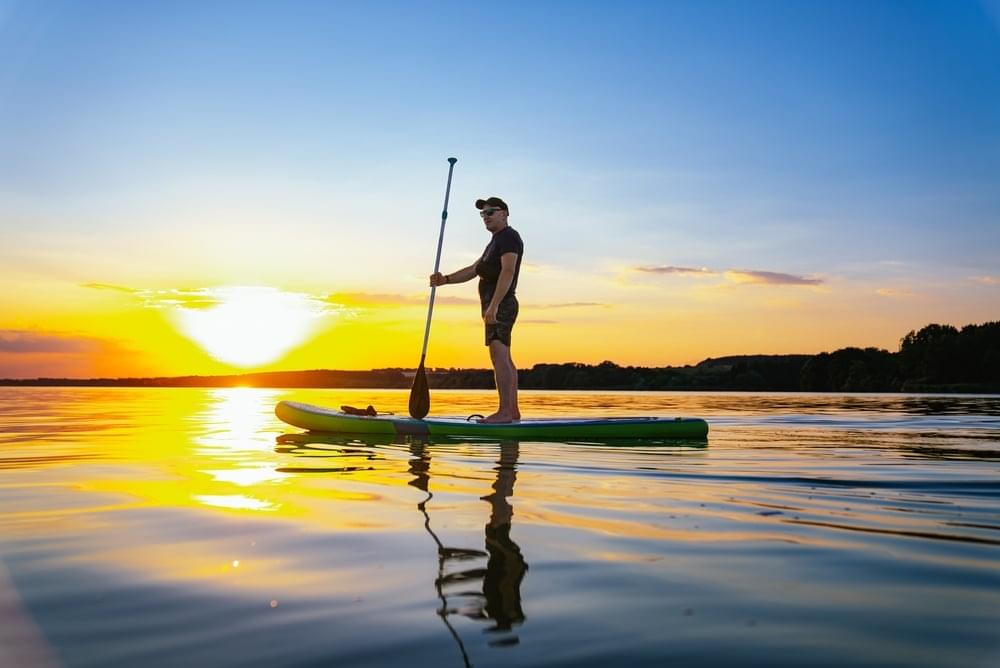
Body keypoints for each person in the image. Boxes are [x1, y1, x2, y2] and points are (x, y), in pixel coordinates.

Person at [430, 196, 523, 423]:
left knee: (498, 355)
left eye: (490, 212)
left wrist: (494, 306)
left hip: (501, 304)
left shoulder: (509, 237)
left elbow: (508, 271)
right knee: (504, 357)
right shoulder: (494, 242)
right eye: (483, 214)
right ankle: (512, 411)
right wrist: (445, 280)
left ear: (504, 213)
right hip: (497, 305)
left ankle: (504, 412)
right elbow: (474, 270)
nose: (486, 217)